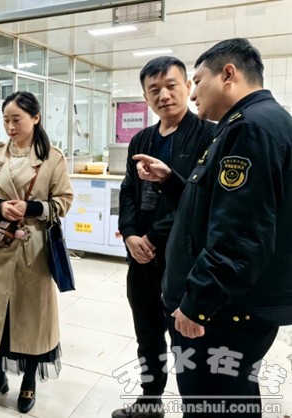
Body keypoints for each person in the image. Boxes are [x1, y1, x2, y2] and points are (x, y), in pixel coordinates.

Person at [134, 38, 292, 417]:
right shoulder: (247, 124)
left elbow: (241, 233)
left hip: (222, 313)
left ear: (228, 75)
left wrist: (197, 304)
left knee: (211, 403)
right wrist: (171, 181)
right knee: (233, 397)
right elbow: (214, 210)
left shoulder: (250, 129)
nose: (193, 94)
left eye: (198, 81)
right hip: (231, 306)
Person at [113, 57, 215, 418]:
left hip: (182, 261)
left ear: (188, 87)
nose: (164, 95)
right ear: (145, 97)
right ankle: (150, 400)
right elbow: (128, 190)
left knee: (185, 340)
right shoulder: (142, 138)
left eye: (171, 85)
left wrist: (151, 238)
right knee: (147, 333)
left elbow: (198, 203)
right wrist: (129, 234)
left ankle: (194, 408)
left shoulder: (209, 135)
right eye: (154, 89)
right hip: (141, 259)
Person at [0, 91, 73, 414]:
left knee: (31, 321)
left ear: (35, 117)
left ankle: (29, 381)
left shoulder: (52, 158)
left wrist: (31, 208)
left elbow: (64, 201)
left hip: (33, 250)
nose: (10, 127)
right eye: (6, 120)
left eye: (17, 119)